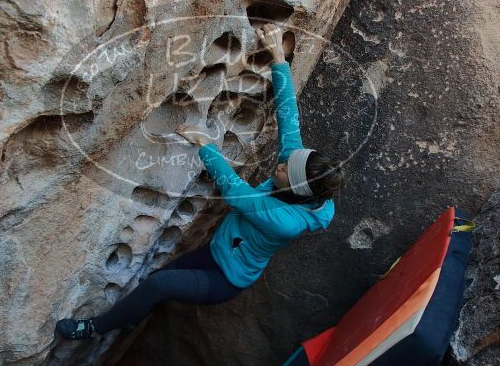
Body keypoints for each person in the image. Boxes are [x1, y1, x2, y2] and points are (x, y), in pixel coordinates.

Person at [55, 24, 344, 340]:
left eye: (286, 169)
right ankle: (130, 316)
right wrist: (278, 58)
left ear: (294, 188)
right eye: (287, 160)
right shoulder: (297, 174)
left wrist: (205, 145)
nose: (281, 163)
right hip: (215, 249)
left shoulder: (286, 222)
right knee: (161, 279)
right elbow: (289, 117)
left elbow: (236, 195)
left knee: (158, 285)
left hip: (226, 278)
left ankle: (93, 328)